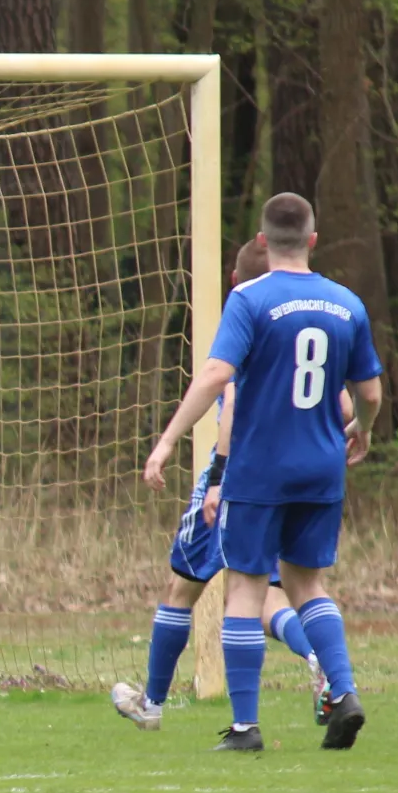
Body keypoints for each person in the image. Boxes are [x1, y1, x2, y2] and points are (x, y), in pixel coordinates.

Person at [142, 193, 383, 753]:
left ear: (263, 240)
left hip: (259, 470)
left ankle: (246, 727)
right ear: (313, 240)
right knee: (307, 585)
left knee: (246, 589)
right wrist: (363, 430)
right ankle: (344, 691)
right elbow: (368, 393)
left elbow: (216, 376)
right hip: (322, 467)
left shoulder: (249, 299)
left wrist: (168, 439)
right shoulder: (347, 303)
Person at [111, 240, 326, 731]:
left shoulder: (246, 317)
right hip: (290, 476)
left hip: (237, 477)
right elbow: (343, 405)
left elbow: (229, 401)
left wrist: (211, 475)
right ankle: (322, 662)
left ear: (234, 282)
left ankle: (153, 705)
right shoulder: (302, 323)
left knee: (181, 587)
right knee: (266, 595)